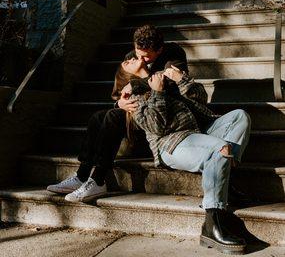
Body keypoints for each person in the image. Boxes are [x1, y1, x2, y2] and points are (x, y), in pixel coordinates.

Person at [114, 60, 251, 254]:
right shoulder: (132, 96)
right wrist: (157, 93)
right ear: (126, 77)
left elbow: (200, 98)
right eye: (127, 63)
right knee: (219, 148)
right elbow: (157, 127)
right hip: (173, 144)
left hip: (200, 131)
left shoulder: (162, 78)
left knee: (240, 116)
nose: (130, 59)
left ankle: (224, 179)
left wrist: (181, 79)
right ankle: (212, 224)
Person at [47, 25, 193, 200]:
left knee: (113, 117)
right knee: (97, 117)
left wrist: (141, 74)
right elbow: (117, 92)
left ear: (160, 49)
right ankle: (82, 175)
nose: (141, 59)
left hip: (162, 115)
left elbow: (169, 88)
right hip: (135, 112)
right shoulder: (131, 57)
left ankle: (98, 180)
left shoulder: (174, 55)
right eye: (138, 53)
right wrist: (119, 102)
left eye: (147, 56)